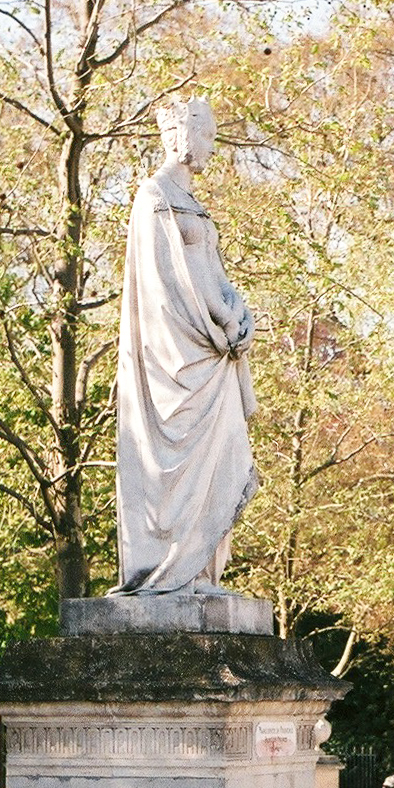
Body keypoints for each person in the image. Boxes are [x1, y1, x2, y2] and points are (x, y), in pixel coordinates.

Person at [114, 96, 258, 594]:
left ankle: (199, 571)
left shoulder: (194, 204)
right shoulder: (153, 197)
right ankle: (170, 571)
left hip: (214, 354)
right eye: (209, 136)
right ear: (181, 135)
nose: (212, 148)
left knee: (217, 459)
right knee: (177, 465)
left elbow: (213, 274)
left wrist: (241, 313)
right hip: (181, 353)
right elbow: (166, 284)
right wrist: (221, 322)